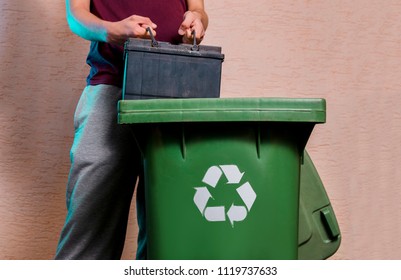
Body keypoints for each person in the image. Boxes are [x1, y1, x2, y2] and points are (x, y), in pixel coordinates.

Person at [55, 0, 208, 260]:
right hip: (112, 88)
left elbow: (200, 10)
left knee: (168, 234)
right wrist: (109, 30)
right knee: (88, 230)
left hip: (175, 93)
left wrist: (198, 20)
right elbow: (76, 15)